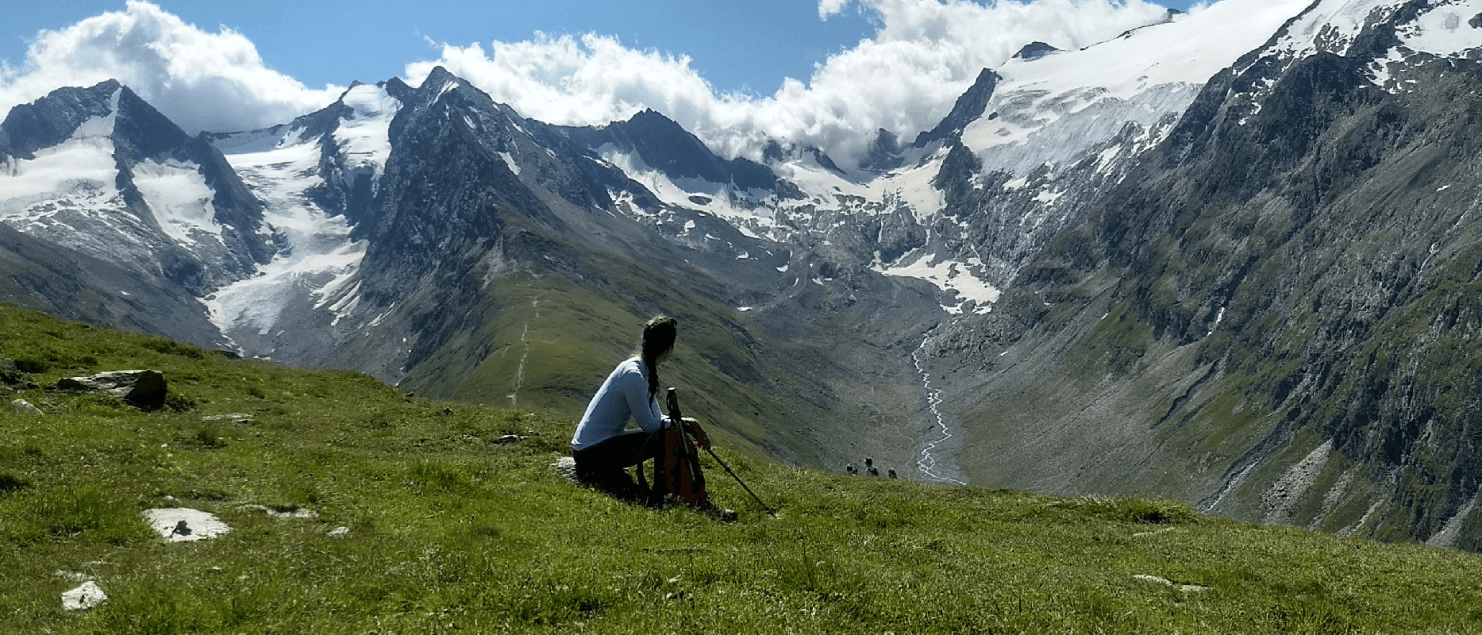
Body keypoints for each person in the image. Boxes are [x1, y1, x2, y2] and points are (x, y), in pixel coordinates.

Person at [570, 316, 700, 495]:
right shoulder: (633, 375)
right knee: (665, 437)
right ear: (667, 349)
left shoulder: (639, 371)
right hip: (590, 453)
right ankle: (664, 494)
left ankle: (670, 491)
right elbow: (649, 426)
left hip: (589, 448)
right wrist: (684, 424)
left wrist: (681, 423)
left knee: (669, 433)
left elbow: (657, 419)